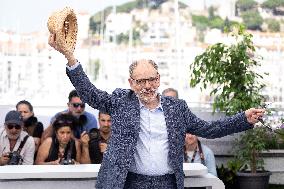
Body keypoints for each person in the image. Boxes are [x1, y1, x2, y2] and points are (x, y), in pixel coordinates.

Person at [49, 33, 264, 189]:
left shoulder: (177, 108)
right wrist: (70, 58)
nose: (147, 86)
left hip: (168, 183)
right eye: (141, 81)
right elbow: (91, 94)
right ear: (131, 83)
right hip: (128, 182)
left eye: (151, 79)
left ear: (159, 79)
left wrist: (243, 119)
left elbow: (210, 129)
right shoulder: (121, 101)